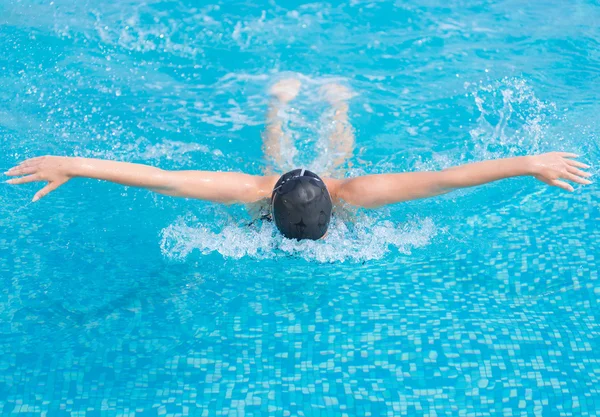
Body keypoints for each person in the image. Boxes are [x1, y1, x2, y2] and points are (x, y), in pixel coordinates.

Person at [4, 78, 592, 241]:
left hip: (286, 212)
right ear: (331, 204)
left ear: (271, 202)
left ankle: (277, 103)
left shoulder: (251, 194)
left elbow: (161, 180)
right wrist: (528, 161)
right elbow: (446, 179)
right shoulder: (355, 196)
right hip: (333, 211)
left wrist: (73, 164)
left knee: (279, 155)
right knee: (341, 156)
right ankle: (337, 102)